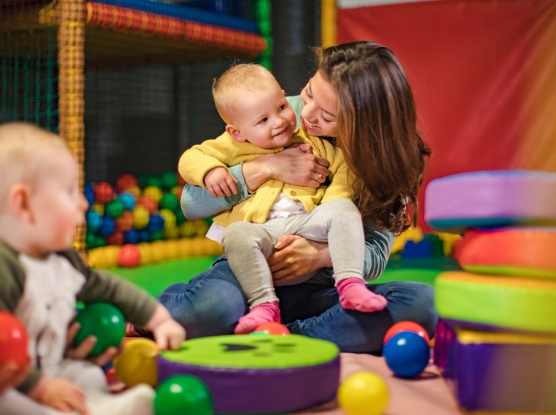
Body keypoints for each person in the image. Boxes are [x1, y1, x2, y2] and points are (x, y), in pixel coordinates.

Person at [158, 41, 436, 354]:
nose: (306, 115)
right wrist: (265, 167)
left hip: (321, 288)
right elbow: (192, 203)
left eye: (328, 116)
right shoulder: (279, 113)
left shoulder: (382, 163)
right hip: (251, 271)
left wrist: (319, 254)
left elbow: (374, 256)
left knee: (421, 304)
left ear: (362, 126)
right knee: (201, 312)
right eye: (308, 92)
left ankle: (285, 334)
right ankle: (203, 314)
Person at [178, 63, 387, 334]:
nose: (279, 121)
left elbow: (347, 176)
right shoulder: (234, 146)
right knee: (237, 235)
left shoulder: (314, 142)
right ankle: (264, 306)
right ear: (237, 132)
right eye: (263, 120)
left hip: (307, 233)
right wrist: (212, 172)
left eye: (281, 108)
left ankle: (350, 285)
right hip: (262, 235)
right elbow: (192, 159)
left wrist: (323, 240)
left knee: (344, 209)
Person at [0, 122, 186, 415]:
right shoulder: (5, 267)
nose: (83, 203)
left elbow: (107, 287)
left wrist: (157, 319)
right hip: (9, 381)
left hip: (47, 367)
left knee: (84, 373)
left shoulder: (61, 259)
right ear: (23, 204)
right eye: (69, 191)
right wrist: (39, 388)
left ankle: (101, 405)